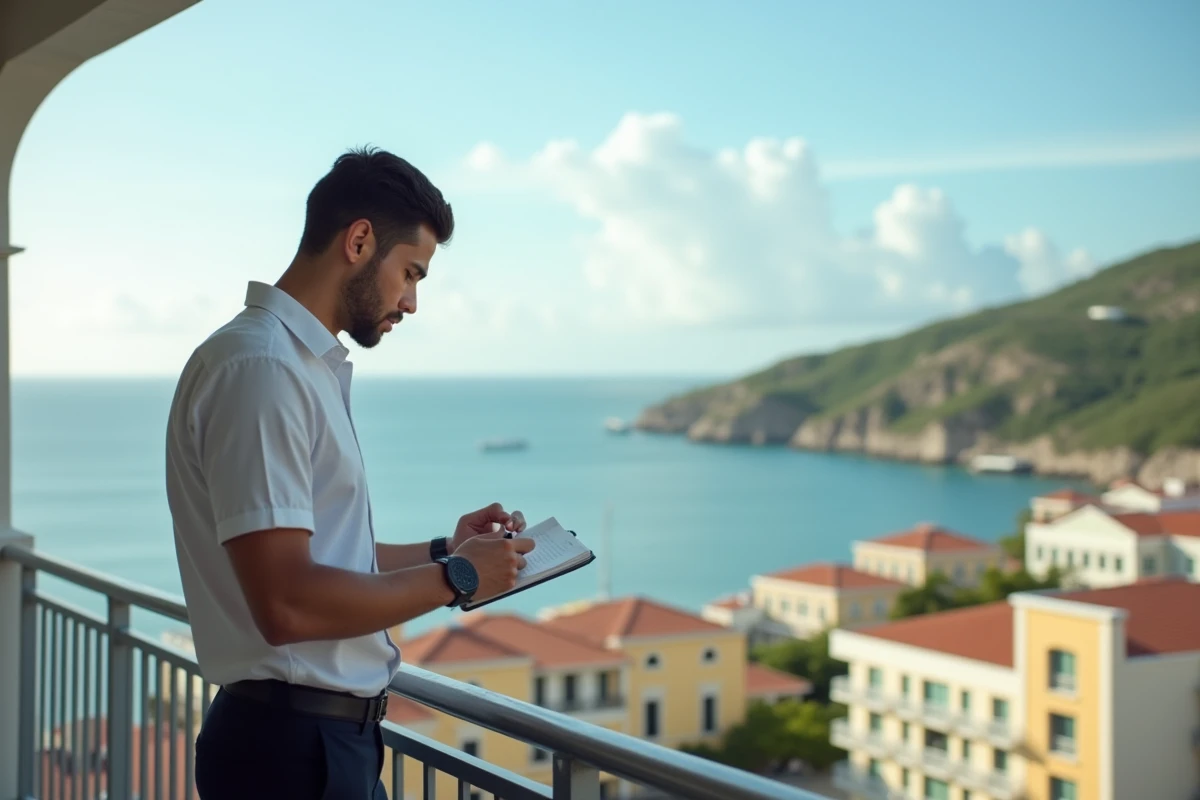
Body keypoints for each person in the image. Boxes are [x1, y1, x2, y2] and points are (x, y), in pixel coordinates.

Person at [164, 146, 536, 799]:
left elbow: (326, 560)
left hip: (318, 746)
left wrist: (446, 550)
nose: (412, 302)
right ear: (360, 241)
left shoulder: (294, 367)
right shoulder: (263, 371)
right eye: (411, 273)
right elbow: (287, 601)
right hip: (291, 754)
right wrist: (460, 576)